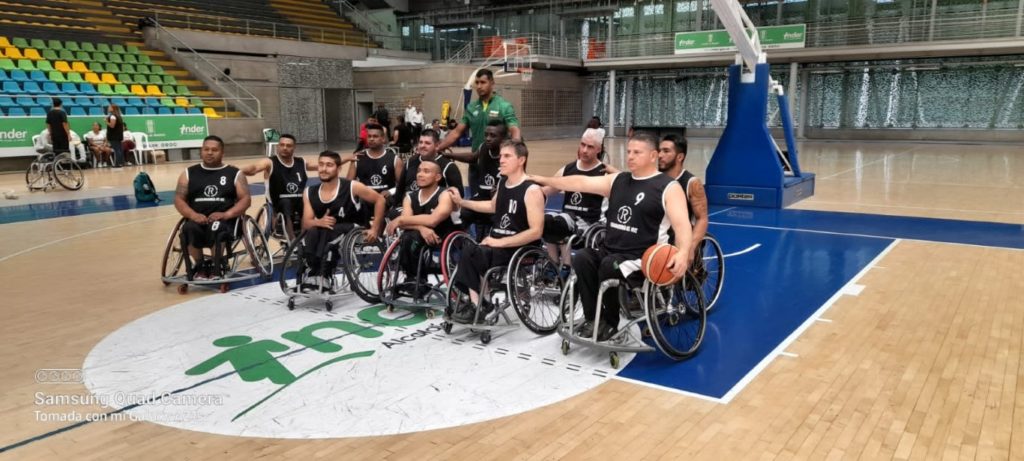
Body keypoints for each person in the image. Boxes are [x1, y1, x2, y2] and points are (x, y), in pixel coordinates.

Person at [529, 132, 693, 341]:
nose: (630, 156)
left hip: (641, 257)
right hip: (611, 250)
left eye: (637, 152)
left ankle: (610, 322)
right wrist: (543, 179)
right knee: (583, 258)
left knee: (609, 265)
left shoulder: (669, 187)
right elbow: (580, 183)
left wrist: (684, 252)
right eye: (629, 152)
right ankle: (591, 319)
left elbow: (682, 226)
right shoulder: (618, 180)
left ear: (653, 156)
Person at [449, 140, 543, 322]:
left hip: (518, 248)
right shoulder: (503, 183)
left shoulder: (531, 189)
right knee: (470, 249)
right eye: (501, 156)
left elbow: (536, 232)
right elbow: (492, 206)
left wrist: (499, 242)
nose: (501, 160)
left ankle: (478, 305)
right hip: (496, 245)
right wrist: (462, 202)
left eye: (507, 156)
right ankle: (479, 303)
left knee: (472, 252)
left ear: (521, 160)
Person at [300, 151, 385, 292]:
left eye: (329, 165)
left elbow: (380, 200)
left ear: (338, 169)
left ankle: (324, 275)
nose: (324, 169)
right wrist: (318, 222)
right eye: (321, 164)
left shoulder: (352, 186)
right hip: (326, 230)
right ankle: (312, 272)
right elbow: (307, 223)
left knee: (330, 231)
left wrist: (375, 228)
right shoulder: (309, 192)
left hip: (354, 229)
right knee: (314, 230)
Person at [173, 136, 252, 280]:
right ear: (201, 152)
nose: (210, 153)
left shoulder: (234, 173)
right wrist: (192, 215)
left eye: (214, 150)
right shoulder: (188, 173)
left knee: (217, 228)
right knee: (188, 229)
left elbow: (245, 199)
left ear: (222, 153)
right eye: (206, 149)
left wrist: (227, 214)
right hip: (197, 219)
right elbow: (179, 199)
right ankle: (200, 266)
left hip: (225, 221)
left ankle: (217, 265)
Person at [538, 128, 617, 267]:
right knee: (545, 220)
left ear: (598, 149)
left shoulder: (604, 173)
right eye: (582, 144)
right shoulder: (567, 169)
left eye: (590, 147)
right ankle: (553, 263)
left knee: (561, 223)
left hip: (591, 225)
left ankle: (567, 265)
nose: (584, 150)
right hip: (567, 219)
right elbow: (546, 190)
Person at [384, 159, 461, 293]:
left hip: (444, 237)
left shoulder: (445, 195)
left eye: (426, 171)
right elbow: (406, 222)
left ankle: (417, 278)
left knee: (410, 236)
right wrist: (421, 228)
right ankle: (414, 279)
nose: (420, 174)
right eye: (419, 171)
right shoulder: (409, 197)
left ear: (437, 177)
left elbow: (433, 221)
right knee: (408, 237)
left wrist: (402, 221)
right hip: (419, 236)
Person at [437, 69, 522, 190]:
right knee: (475, 199)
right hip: (475, 163)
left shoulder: (504, 106)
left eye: (483, 82)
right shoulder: (471, 107)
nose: (479, 86)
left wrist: (516, 149)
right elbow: (456, 132)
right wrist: (438, 148)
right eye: (477, 83)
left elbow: (514, 129)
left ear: (492, 83)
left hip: (496, 164)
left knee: (496, 202)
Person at [240, 134, 318, 237]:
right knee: (286, 203)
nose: (285, 148)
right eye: (282, 145)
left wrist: (344, 160)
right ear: (278, 146)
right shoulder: (270, 162)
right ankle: (292, 240)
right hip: (278, 203)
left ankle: (306, 237)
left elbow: (325, 166)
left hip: (299, 201)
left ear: (294, 147)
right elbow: (254, 168)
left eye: (288, 145)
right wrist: (233, 172)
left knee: (311, 201)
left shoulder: (301, 162)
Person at [444, 120, 506, 240]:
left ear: (503, 138)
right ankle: (458, 245)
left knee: (493, 230)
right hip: (481, 198)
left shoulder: (508, 157)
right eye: (486, 135)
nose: (488, 138)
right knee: (458, 218)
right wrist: (450, 155)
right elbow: (472, 157)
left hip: (499, 203)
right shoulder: (483, 147)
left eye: (493, 136)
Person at [658, 134, 708, 258]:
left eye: (666, 151)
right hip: (658, 233)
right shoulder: (655, 179)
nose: (660, 155)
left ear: (680, 157)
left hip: (678, 238)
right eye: (659, 151)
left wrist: (690, 246)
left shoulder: (692, 183)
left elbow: (702, 219)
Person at [395, 128, 463, 208]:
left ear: (437, 145)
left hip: (434, 211)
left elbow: (459, 196)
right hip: (408, 206)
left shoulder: (448, 166)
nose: (422, 146)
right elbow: (400, 189)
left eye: (427, 143)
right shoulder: (410, 161)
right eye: (420, 142)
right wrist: (397, 206)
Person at [347, 123, 403, 218]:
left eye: (375, 136)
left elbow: (402, 185)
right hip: (364, 200)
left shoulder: (395, 159)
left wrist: (391, 191)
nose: (371, 139)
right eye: (369, 136)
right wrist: (360, 191)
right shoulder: (358, 158)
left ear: (383, 139)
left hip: (386, 199)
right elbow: (348, 184)